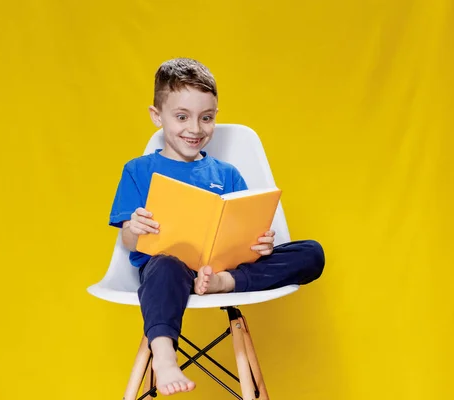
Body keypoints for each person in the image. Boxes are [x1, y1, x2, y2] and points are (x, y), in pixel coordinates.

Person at [109, 58, 325, 396]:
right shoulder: (139, 170)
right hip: (169, 268)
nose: (195, 129)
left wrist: (261, 243)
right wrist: (134, 228)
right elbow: (128, 240)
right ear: (157, 116)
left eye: (206, 118)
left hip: (224, 268)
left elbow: (244, 231)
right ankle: (165, 356)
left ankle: (223, 284)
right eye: (182, 117)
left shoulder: (227, 174)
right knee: (164, 264)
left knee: (311, 253)